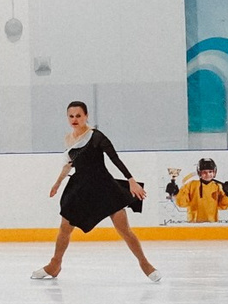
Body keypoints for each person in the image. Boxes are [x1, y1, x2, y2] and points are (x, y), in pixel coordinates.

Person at [34, 100, 159, 283]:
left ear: (86, 116)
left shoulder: (96, 136)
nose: (75, 119)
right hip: (80, 188)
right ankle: (54, 264)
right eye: (71, 116)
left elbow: (115, 158)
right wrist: (57, 183)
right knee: (65, 228)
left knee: (124, 229)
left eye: (78, 116)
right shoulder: (69, 139)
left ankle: (145, 264)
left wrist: (131, 180)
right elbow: (68, 165)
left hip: (104, 186)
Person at [170, 158, 228, 224]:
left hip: (212, 223)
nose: (207, 174)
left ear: (214, 172)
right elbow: (182, 203)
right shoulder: (191, 185)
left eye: (210, 172)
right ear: (199, 173)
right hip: (194, 223)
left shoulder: (218, 186)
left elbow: (223, 206)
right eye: (204, 172)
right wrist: (176, 193)